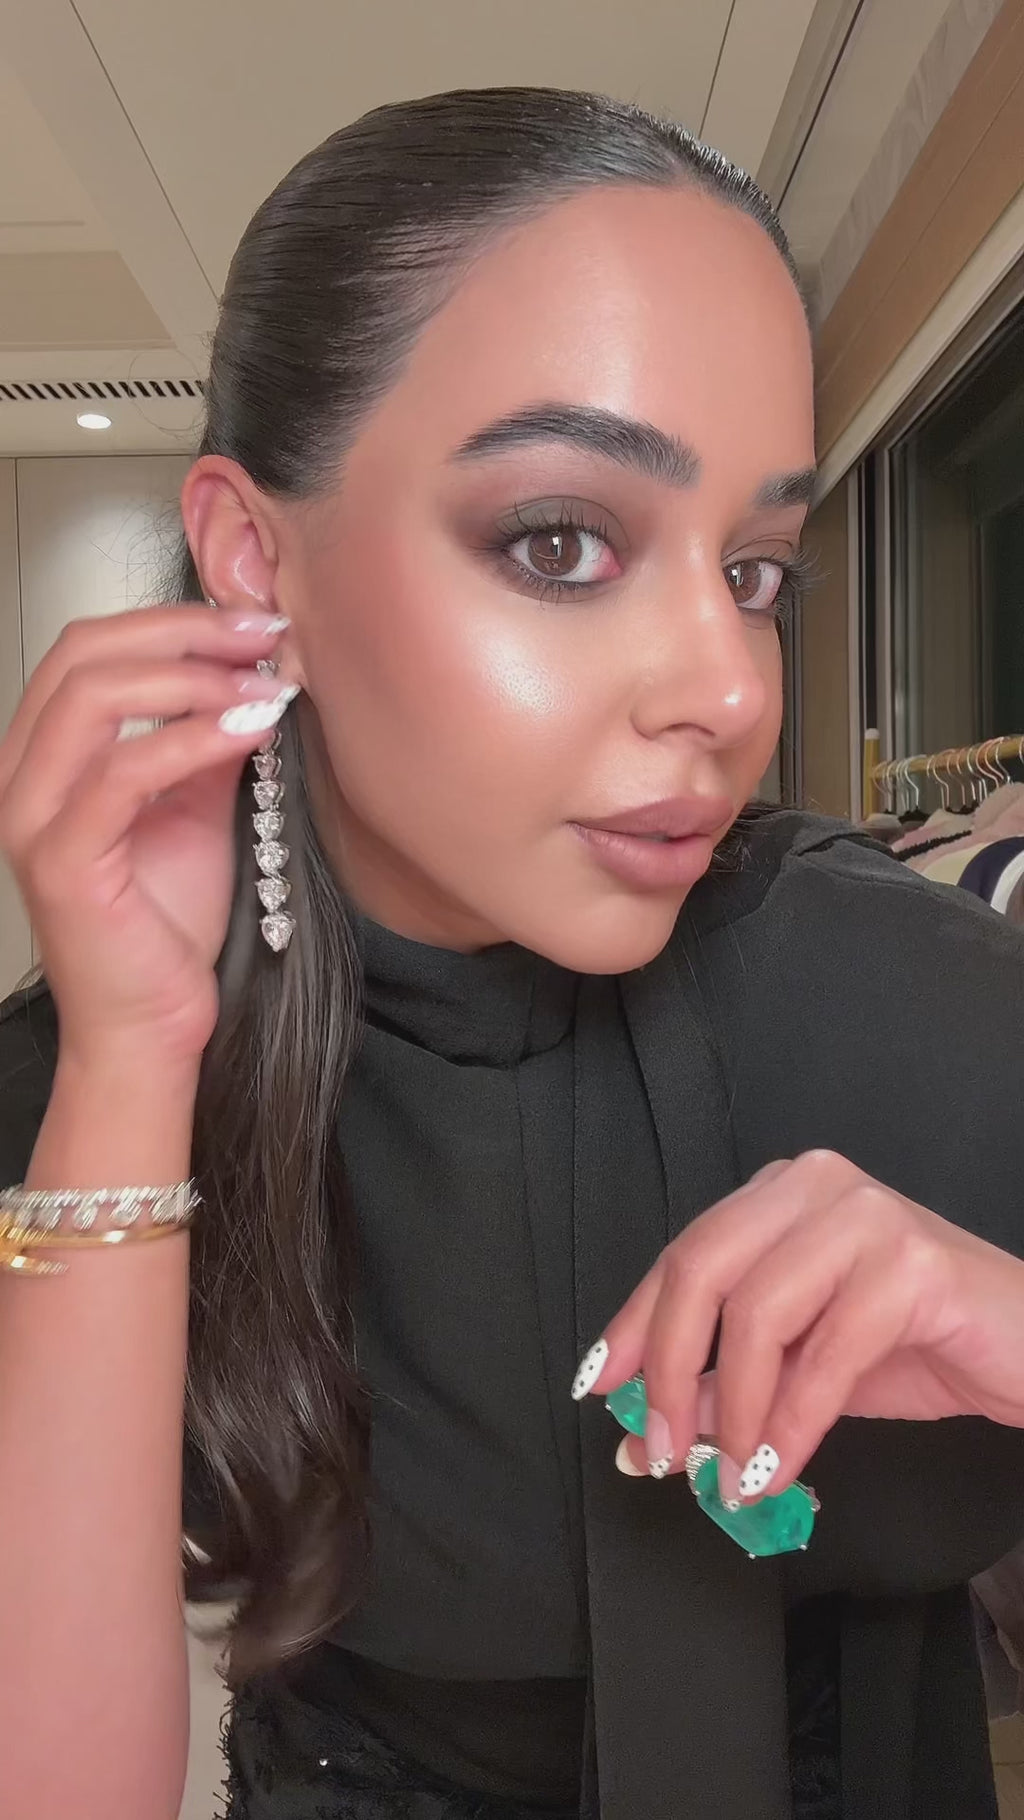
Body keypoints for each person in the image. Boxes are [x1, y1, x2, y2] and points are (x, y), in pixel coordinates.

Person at [0, 85, 1023, 1820]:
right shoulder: (89, 1082)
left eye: (756, 572)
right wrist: (129, 1060)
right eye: (562, 543)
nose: (729, 691)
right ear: (257, 560)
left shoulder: (914, 999)